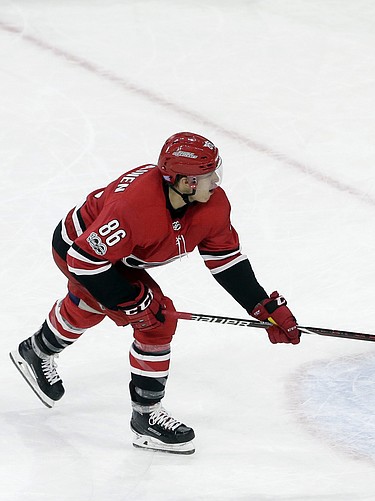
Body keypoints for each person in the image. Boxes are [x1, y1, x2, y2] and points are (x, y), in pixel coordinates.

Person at [9, 132, 300, 454]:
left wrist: (262, 306)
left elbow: (225, 259)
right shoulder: (134, 207)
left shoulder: (212, 203)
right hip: (81, 252)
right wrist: (133, 304)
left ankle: (36, 350)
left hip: (115, 256)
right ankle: (146, 418)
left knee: (93, 306)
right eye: (207, 175)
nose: (216, 180)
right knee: (155, 322)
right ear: (186, 182)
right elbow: (85, 261)